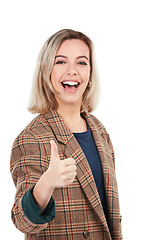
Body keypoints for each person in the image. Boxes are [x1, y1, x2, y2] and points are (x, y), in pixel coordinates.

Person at [10, 29, 123, 240]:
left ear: (89, 74)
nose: (72, 71)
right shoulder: (31, 137)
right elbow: (21, 219)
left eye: (81, 62)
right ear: (47, 71)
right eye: (61, 62)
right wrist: (46, 183)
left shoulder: (100, 132)